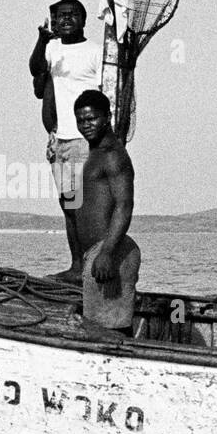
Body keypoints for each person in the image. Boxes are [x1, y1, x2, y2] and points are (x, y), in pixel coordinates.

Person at [28, 0, 102, 283]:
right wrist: (41, 39)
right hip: (59, 140)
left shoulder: (96, 52)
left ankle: (92, 268)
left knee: (86, 207)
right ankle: (76, 267)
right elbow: (36, 70)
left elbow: (109, 93)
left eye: (72, 15)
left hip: (84, 141)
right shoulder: (52, 49)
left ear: (83, 20)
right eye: (61, 16)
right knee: (69, 205)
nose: (66, 19)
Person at [72, 89, 140, 337]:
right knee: (101, 330)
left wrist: (107, 252)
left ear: (107, 117)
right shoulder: (96, 153)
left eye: (92, 119)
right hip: (96, 257)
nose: (85, 125)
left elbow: (124, 205)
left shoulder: (113, 155)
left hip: (108, 256)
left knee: (114, 334)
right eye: (81, 120)